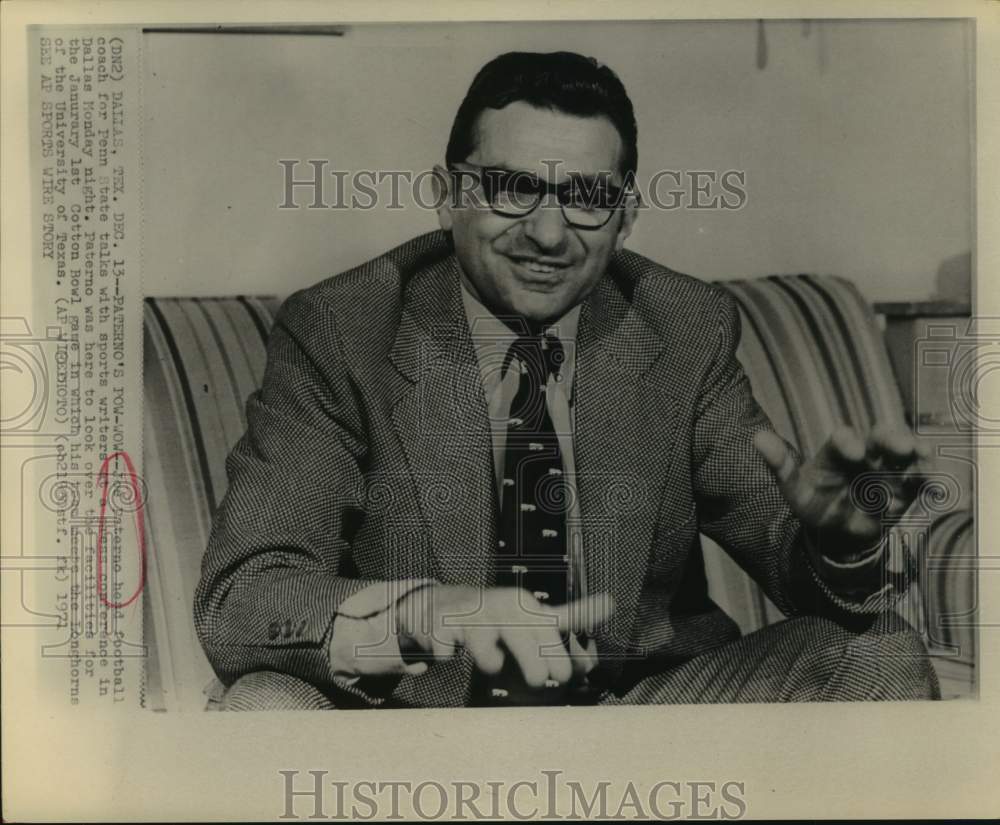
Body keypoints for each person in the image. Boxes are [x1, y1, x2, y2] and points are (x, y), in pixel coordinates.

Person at [194, 50, 938, 710]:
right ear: (448, 194)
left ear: (626, 217)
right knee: (267, 707)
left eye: (585, 197)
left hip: (634, 712)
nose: (548, 234)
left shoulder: (682, 325)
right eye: (513, 187)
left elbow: (787, 555)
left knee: (877, 655)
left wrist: (838, 543)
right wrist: (436, 614)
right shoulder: (343, 328)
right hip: (411, 725)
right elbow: (245, 592)